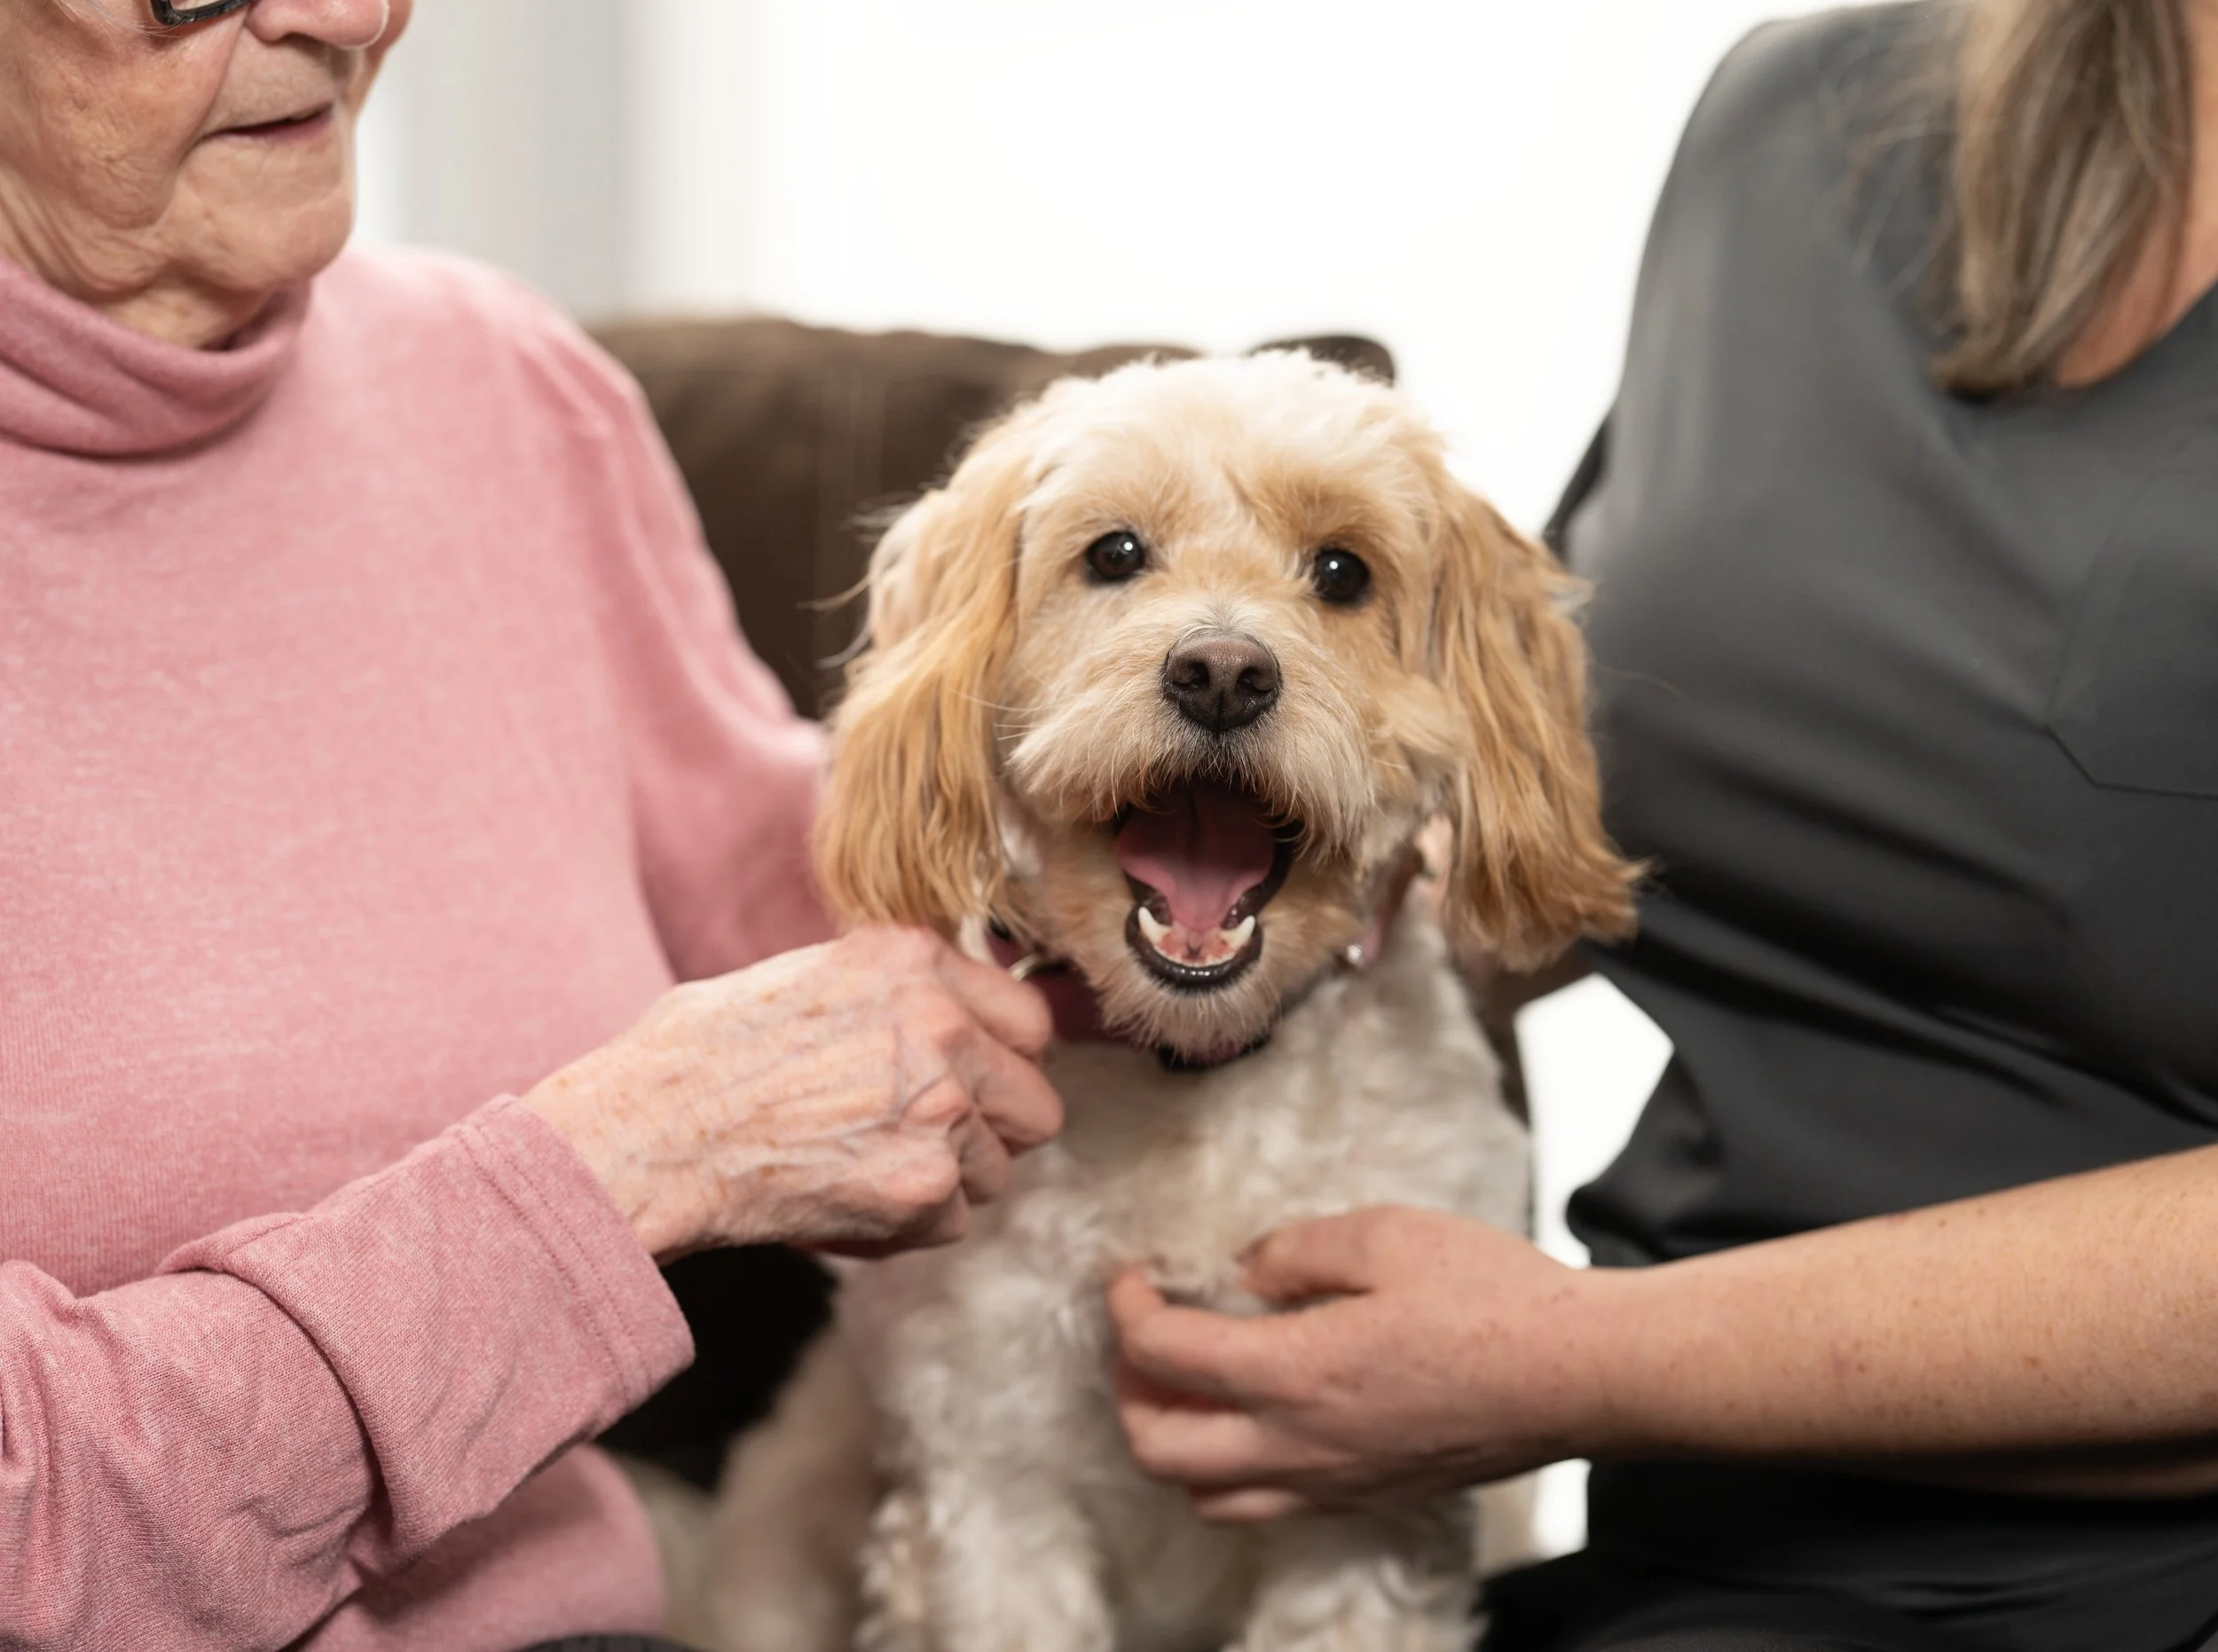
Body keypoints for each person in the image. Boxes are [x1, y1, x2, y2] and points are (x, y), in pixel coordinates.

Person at [1107, 2, 2218, 1648]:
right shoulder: (1799, 117)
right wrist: (1178, 950)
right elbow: (1529, 801)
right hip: (1697, 1567)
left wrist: (1566, 1360)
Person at [0, 2, 1060, 1648]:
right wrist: (616, 1170)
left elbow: (809, 896)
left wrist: (1211, 844)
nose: (347, 15)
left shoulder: (493, 382)